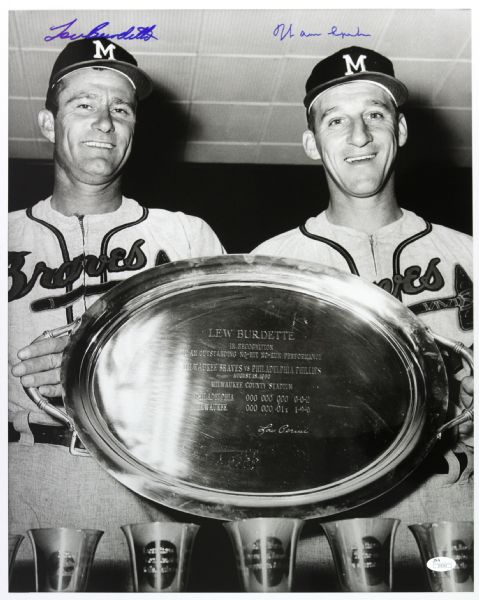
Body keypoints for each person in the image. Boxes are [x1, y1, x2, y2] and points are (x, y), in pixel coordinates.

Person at [8, 38, 224, 591]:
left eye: (120, 110)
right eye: (84, 104)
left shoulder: (187, 235)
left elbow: (230, 381)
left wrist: (112, 348)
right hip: (19, 474)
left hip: (148, 481)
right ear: (48, 124)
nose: (104, 122)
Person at [253, 45, 473, 430]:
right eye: (336, 121)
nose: (360, 136)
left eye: (374, 114)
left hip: (456, 482)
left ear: (400, 130)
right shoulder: (269, 265)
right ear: (311, 144)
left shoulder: (468, 254)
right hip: (328, 482)